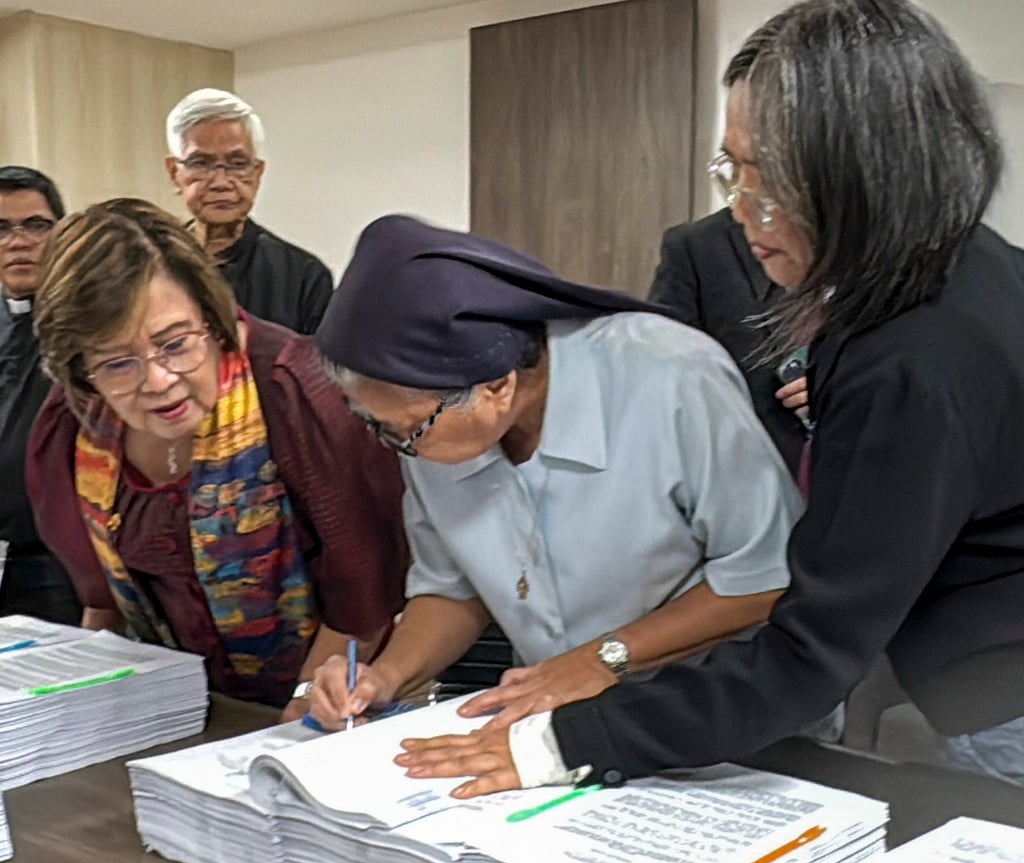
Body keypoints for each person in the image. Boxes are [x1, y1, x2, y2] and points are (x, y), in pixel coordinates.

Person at [387, 0, 1024, 795]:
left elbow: (811, 648)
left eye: (769, 176)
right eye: (732, 169)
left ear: (866, 171)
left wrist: (567, 740)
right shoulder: (968, 265)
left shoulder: (914, 355)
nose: (741, 208)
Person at [308, 214, 802, 738]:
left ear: (497, 386)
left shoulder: (670, 375)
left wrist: (600, 660)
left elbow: (765, 575)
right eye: (380, 427)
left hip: (725, 710)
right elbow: (452, 588)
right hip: (568, 724)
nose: (401, 447)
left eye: (409, 431)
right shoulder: (432, 411)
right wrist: (383, 679)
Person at [27, 199, 406, 718]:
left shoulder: (297, 393)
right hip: (166, 710)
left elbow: (365, 602)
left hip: (316, 703)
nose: (157, 380)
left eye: (175, 343)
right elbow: (103, 605)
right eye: (117, 362)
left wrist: (298, 711)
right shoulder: (77, 420)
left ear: (213, 314)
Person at [649, 208, 808, 475]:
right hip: (742, 479)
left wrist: (840, 385)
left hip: (864, 468)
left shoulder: (876, 232)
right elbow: (662, 379)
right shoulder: (698, 247)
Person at [165, 88, 333, 335]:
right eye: (201, 163)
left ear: (258, 173)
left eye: (237, 164)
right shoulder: (153, 262)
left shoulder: (304, 276)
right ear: (174, 173)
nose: (221, 182)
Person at [0, 165, 80, 625]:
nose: (18, 240)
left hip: (57, 564)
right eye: (2, 228)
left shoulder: (86, 322)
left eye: (35, 224)